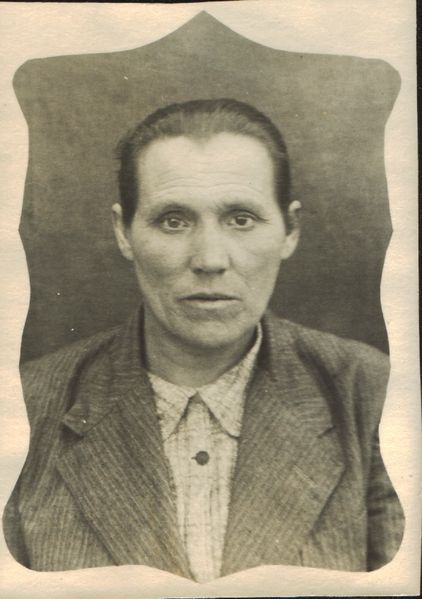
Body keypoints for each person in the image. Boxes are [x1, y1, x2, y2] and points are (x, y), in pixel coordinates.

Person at [3, 98, 404, 582]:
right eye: (173, 220)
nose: (210, 259)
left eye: (241, 219)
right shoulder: (25, 407)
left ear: (290, 230)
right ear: (124, 232)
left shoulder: (370, 395)